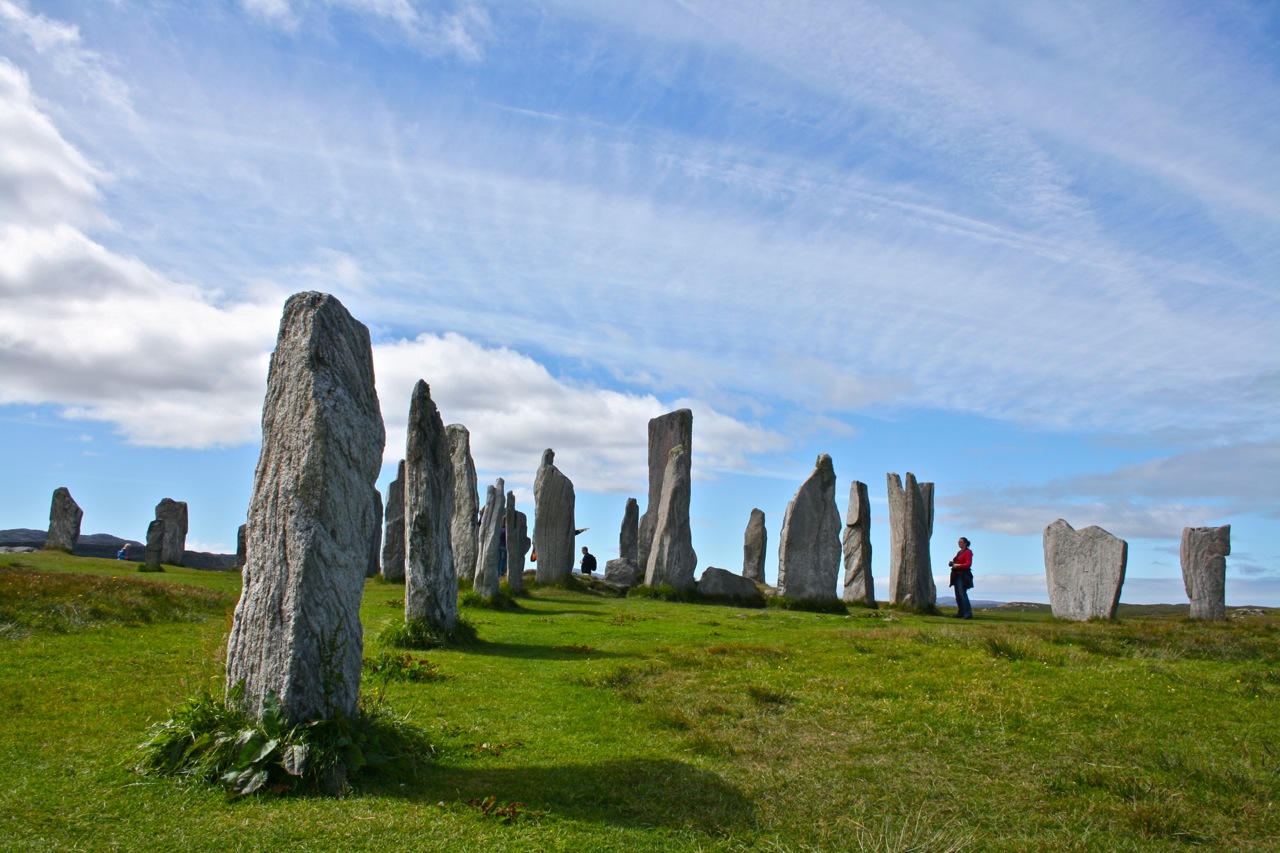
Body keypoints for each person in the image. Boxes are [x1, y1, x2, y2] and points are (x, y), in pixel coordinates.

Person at [948, 537, 974, 619]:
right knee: (958, 595)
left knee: (962, 593)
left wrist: (958, 565)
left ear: (965, 543)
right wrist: (952, 563)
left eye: (961, 542)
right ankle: (961, 612)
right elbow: (956, 560)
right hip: (956, 574)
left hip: (963, 575)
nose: (959, 543)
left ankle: (967, 613)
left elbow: (968, 564)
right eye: (958, 542)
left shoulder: (968, 552)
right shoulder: (959, 552)